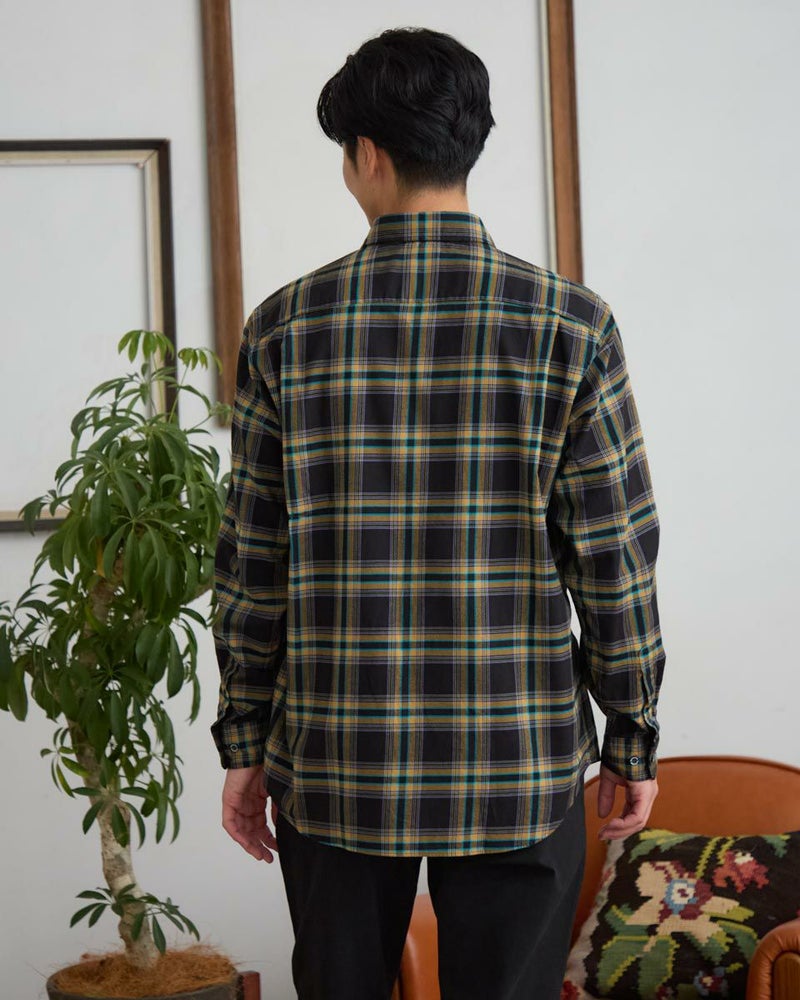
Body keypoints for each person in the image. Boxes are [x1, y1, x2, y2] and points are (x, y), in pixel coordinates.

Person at [210, 25, 665, 1000]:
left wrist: (243, 743)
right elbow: (614, 558)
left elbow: (251, 563)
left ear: (368, 153)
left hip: (335, 761)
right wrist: (631, 733)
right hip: (518, 760)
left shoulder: (284, 328)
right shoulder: (571, 325)